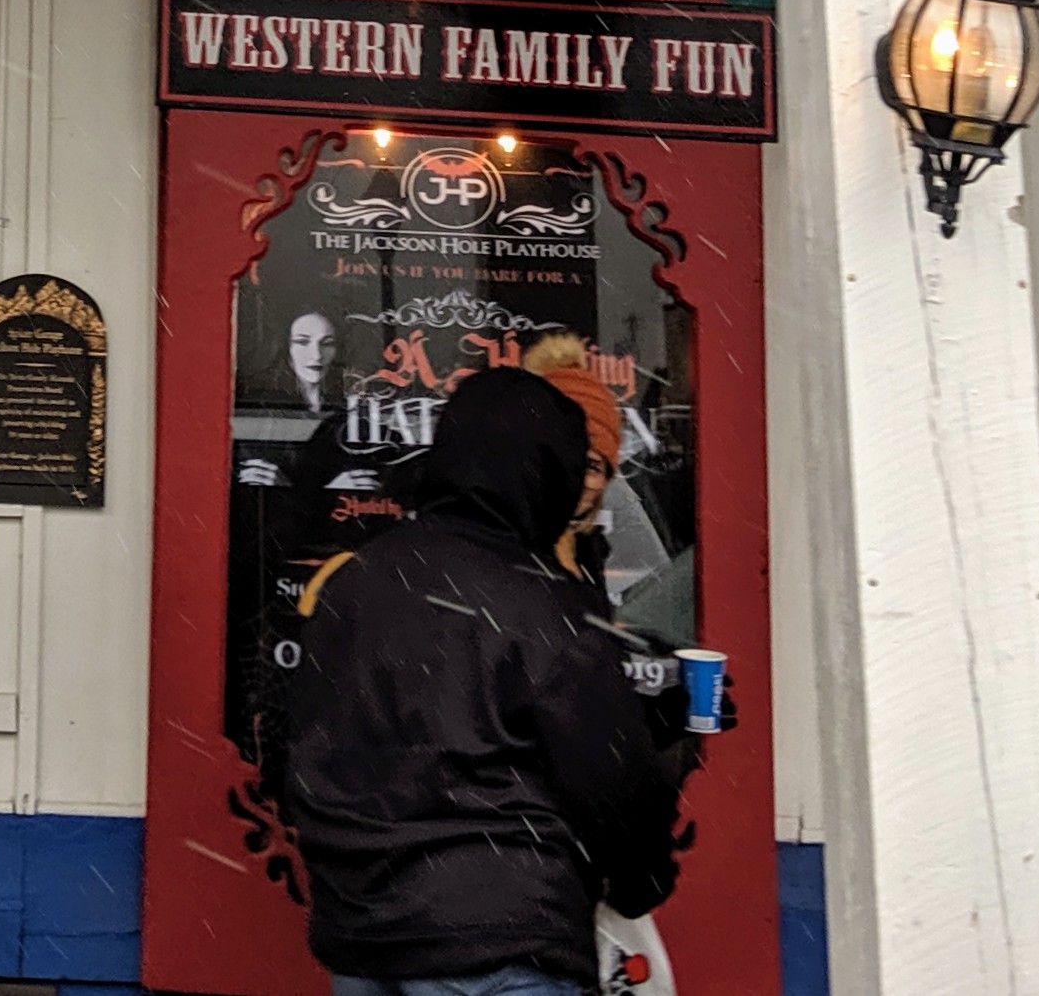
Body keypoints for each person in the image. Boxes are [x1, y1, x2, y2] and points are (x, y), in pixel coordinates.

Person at [272, 367, 712, 996]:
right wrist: (642, 878)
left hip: (363, 937)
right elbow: (607, 774)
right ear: (547, 475)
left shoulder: (355, 585)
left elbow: (300, 741)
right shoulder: (542, 603)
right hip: (500, 936)